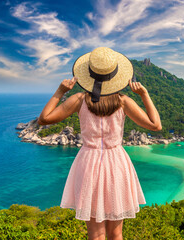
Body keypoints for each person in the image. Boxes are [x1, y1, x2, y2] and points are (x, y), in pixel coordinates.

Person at [37, 47, 162, 240]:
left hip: (88, 163)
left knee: (95, 235)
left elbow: (44, 119)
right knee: (116, 233)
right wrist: (144, 95)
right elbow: (156, 125)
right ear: (116, 77)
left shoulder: (79, 100)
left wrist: (60, 90)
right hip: (117, 163)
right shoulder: (123, 101)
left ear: (88, 73)